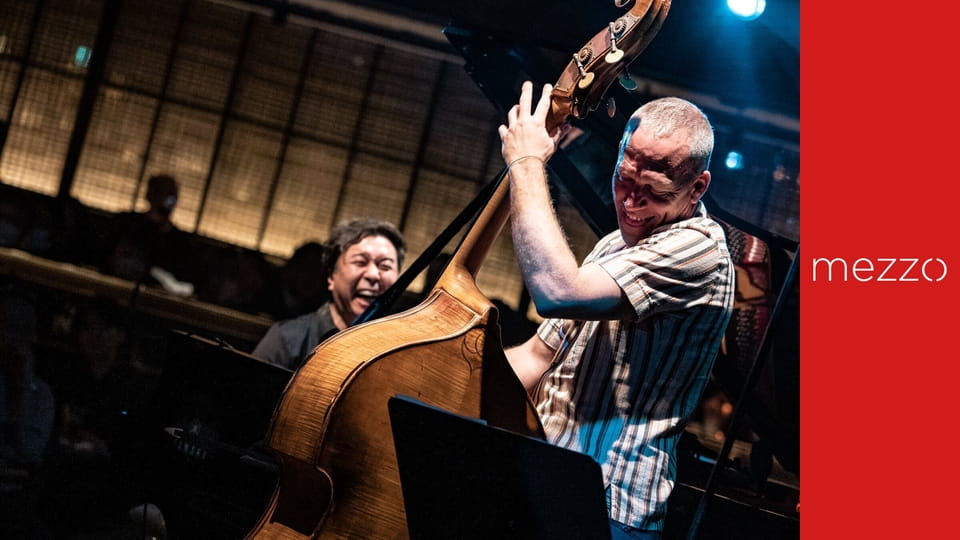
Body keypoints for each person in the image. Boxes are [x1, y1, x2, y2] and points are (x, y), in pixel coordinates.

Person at [498, 82, 735, 539]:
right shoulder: (615, 245)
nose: (629, 203)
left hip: (609, 506)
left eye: (651, 191)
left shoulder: (698, 249)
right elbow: (537, 357)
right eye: (623, 179)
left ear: (696, 187)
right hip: (549, 480)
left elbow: (557, 291)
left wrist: (526, 163)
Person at [252, 218, 406, 371]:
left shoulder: (400, 355)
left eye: (385, 266)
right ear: (331, 275)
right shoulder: (286, 339)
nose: (373, 275)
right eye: (360, 262)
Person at [96, 174, 195, 295]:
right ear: (150, 195)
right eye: (161, 192)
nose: (169, 199)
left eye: (171, 194)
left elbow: (187, 281)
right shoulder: (126, 224)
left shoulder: (179, 242)